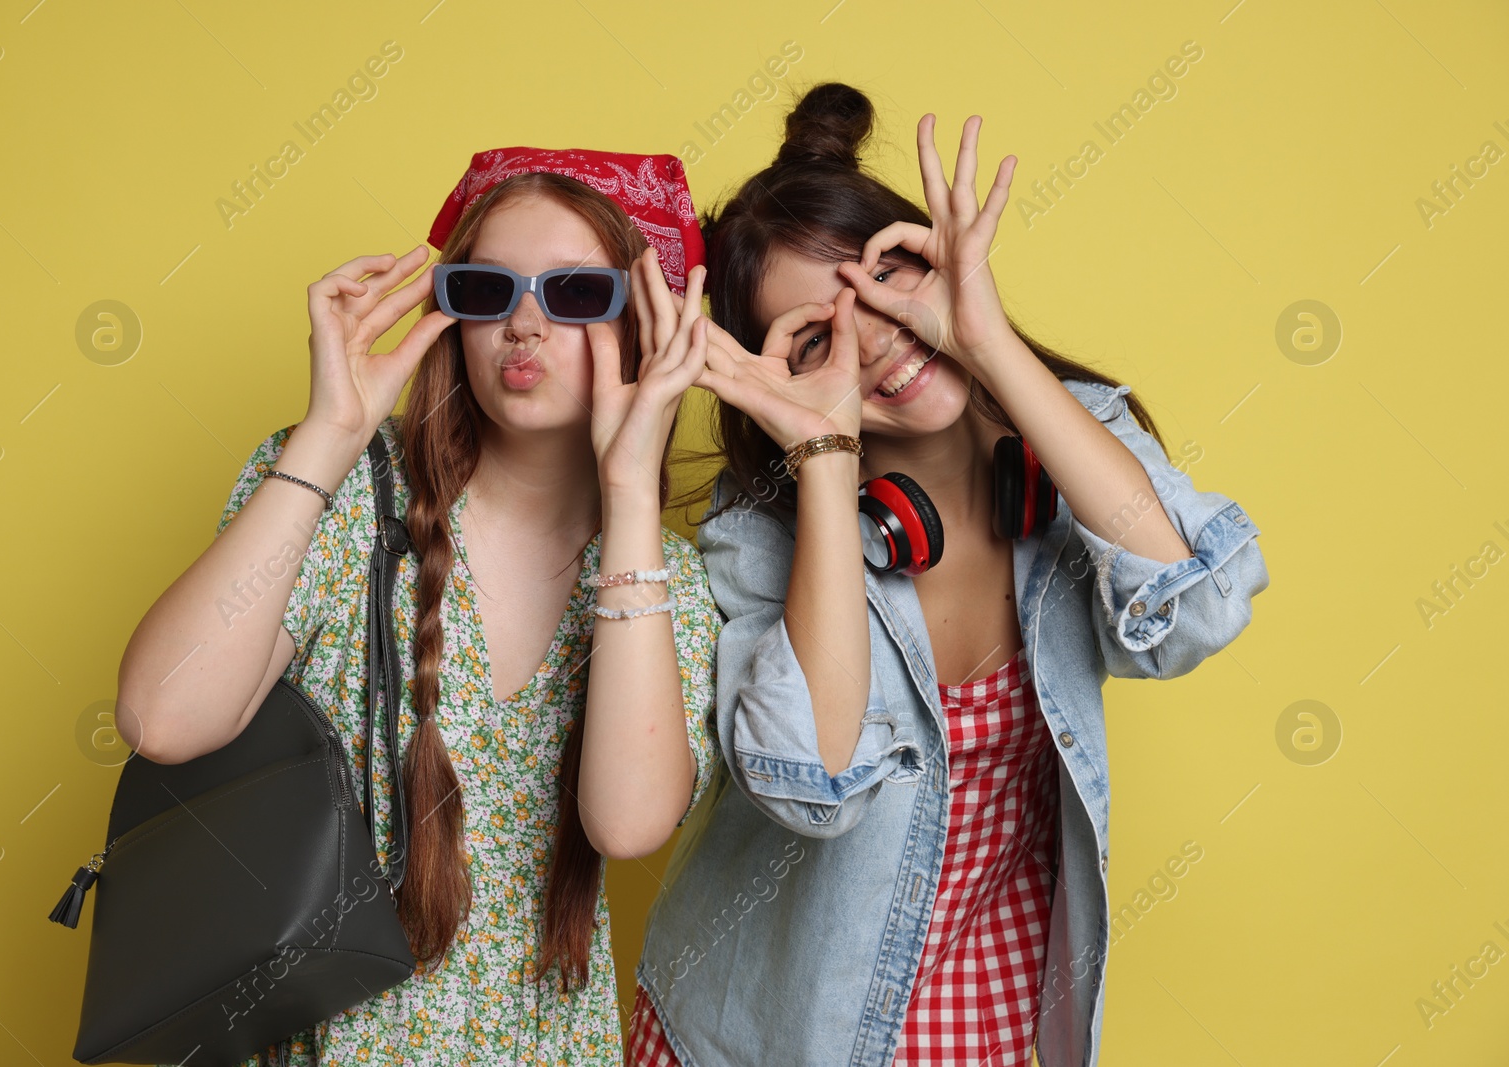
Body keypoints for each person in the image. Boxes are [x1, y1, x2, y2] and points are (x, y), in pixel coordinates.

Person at [625, 84, 1269, 1067]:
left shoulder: (1075, 435)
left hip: (1000, 991)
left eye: (886, 280)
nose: (877, 340)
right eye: (815, 336)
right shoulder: (760, 535)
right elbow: (815, 789)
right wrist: (826, 451)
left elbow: (1199, 610)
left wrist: (990, 339)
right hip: (777, 1024)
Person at [115, 147, 723, 1066]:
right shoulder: (349, 495)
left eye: (574, 295)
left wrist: (631, 494)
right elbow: (163, 716)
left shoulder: (665, 575)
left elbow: (629, 823)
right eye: (487, 290)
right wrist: (328, 435)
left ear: (646, 328)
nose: (523, 323)